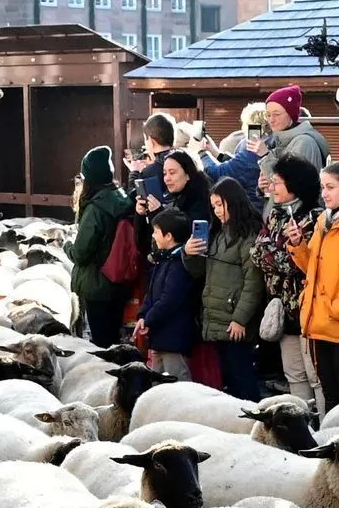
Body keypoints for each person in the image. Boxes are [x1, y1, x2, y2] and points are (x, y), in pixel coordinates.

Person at [251, 153, 323, 411]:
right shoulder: (275, 215)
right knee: (294, 374)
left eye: (277, 182)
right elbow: (256, 252)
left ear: (295, 184)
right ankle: (301, 420)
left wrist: (275, 252)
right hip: (282, 309)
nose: (271, 187)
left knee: (316, 376)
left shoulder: (315, 218)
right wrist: (276, 252)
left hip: (307, 310)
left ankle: (324, 424)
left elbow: (295, 263)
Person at [184, 177, 266, 402]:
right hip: (217, 317)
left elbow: (253, 282)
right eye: (214, 206)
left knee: (243, 377)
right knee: (230, 377)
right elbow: (200, 272)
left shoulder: (249, 235)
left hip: (235, 320)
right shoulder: (219, 234)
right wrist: (189, 253)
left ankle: (254, 419)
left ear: (233, 201)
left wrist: (240, 319)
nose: (217, 211)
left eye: (220, 204)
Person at [69, 145, 134, 345]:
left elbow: (81, 253)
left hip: (97, 285)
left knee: (101, 345)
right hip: (119, 280)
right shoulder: (122, 198)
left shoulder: (96, 208)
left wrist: (67, 247)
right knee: (114, 339)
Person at [288, 161, 339, 414]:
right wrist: (298, 245)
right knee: (330, 395)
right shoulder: (323, 221)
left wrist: (334, 307)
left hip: (333, 322)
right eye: (322, 187)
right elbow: (313, 269)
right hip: (318, 323)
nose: (324, 193)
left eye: (331, 187)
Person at [134, 209, 200, 381]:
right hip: (160, 335)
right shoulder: (163, 259)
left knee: (177, 383)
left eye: (156, 231)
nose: (153, 236)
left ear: (169, 236)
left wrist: (149, 319)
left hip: (174, 338)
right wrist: (143, 315)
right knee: (157, 384)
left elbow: (169, 299)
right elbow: (151, 294)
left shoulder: (179, 264)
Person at [253, 85, 329, 177]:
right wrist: (265, 185)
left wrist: (265, 156)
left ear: (291, 115)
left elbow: (293, 183)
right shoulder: (282, 142)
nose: (271, 120)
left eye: (277, 114)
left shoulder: (304, 143)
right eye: (268, 115)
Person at [153, 149, 214, 229]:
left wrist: (158, 213)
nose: (167, 178)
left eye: (172, 173)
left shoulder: (200, 201)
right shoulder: (173, 197)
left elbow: (182, 232)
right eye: (165, 173)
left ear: (188, 174)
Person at [126, 112, 175, 207]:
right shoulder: (184, 160)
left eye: (146, 139)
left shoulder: (149, 172)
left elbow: (133, 200)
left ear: (151, 140)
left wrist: (134, 173)